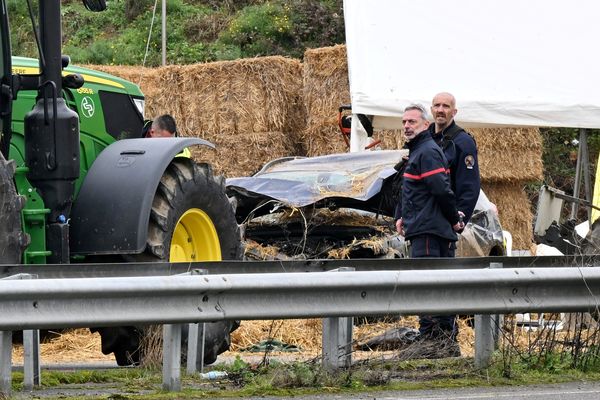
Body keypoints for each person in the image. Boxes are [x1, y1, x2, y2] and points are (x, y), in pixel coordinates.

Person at [394, 104, 464, 356]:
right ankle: (442, 343)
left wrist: (453, 219)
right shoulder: (418, 151)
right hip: (424, 228)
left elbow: (441, 190)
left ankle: (435, 343)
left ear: (425, 124)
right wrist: (402, 216)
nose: (406, 126)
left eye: (412, 121)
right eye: (404, 122)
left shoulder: (427, 152)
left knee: (427, 287)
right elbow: (416, 191)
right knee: (433, 286)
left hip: (430, 232)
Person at [428, 92, 480, 226]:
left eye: (445, 106)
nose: (440, 110)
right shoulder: (423, 138)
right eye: (437, 105)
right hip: (421, 219)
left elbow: (469, 186)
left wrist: (459, 219)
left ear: (454, 112)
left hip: (444, 221)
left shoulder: (464, 142)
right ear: (431, 109)